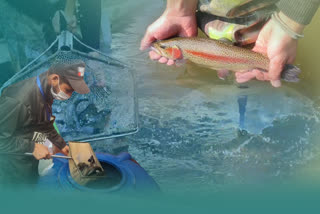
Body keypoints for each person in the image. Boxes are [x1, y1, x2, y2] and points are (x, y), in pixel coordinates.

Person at [140, 0, 320, 88]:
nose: (159, 47)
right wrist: (179, 10)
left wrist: (288, 24)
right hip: (214, 16)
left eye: (163, 47)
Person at [0, 60, 90, 188]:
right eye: (68, 90)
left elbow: (44, 123)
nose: (69, 96)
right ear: (54, 78)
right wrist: (32, 147)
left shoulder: (45, 90)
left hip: (27, 152)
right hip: (11, 164)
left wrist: (61, 144)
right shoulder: (17, 101)